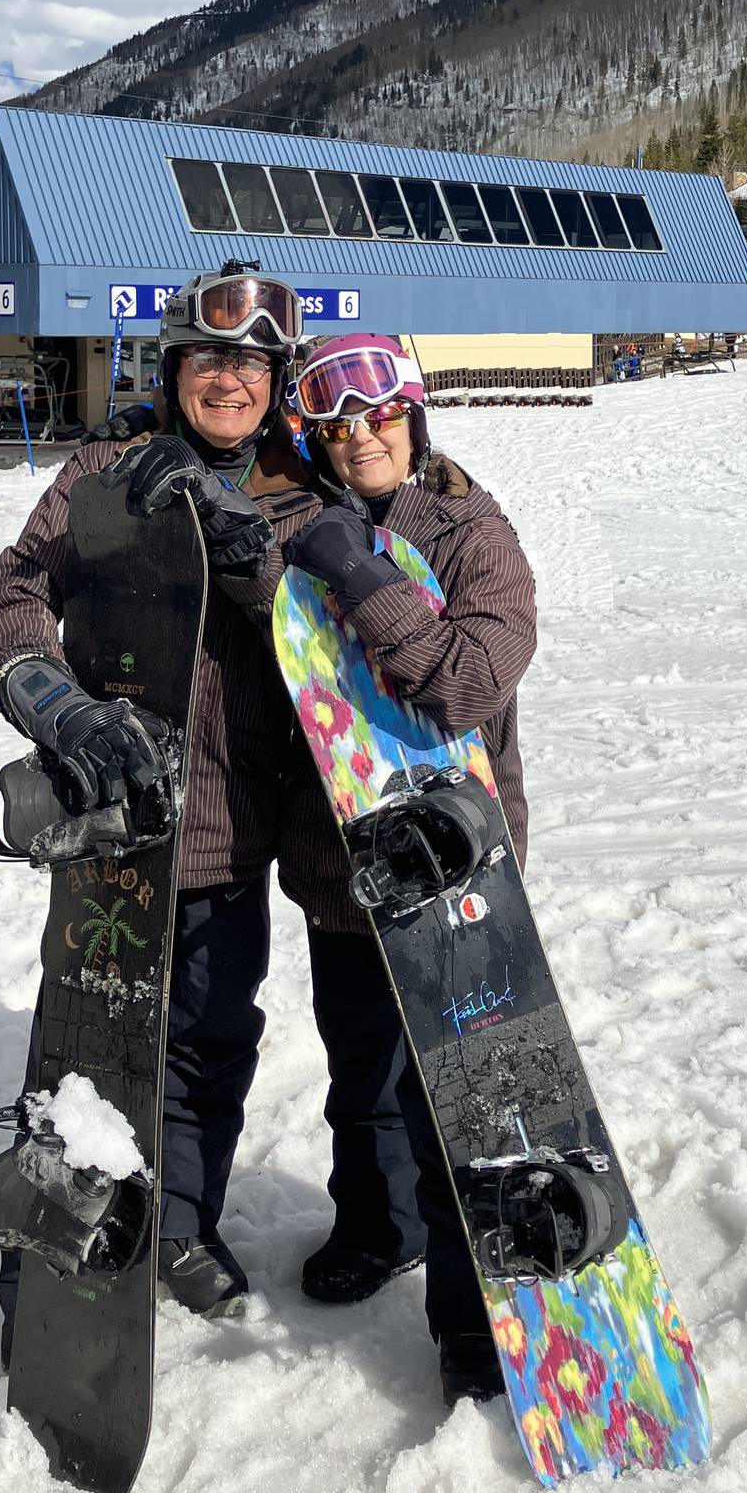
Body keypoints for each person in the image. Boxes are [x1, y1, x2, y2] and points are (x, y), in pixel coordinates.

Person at [0, 264, 323, 1343]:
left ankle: (177, 1222)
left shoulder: (305, 495)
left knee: (212, 1039)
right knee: (90, 1040)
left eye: (251, 365)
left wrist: (259, 563)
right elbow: (12, 592)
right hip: (113, 818)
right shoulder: (103, 471)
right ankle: (53, 1249)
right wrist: (54, 702)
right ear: (173, 370)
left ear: (277, 381)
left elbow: (342, 645)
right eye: (209, 360)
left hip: (232, 822)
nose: (229, 383)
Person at [277, 335, 539, 1406]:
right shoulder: (295, 527)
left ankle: (475, 1317)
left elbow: (470, 683)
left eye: (381, 418)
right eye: (338, 426)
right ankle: (377, 1229)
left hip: (453, 864)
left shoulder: (475, 533)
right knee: (363, 1080)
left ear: (414, 418)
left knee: (461, 1104)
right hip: (347, 861)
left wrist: (365, 575)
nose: (362, 438)